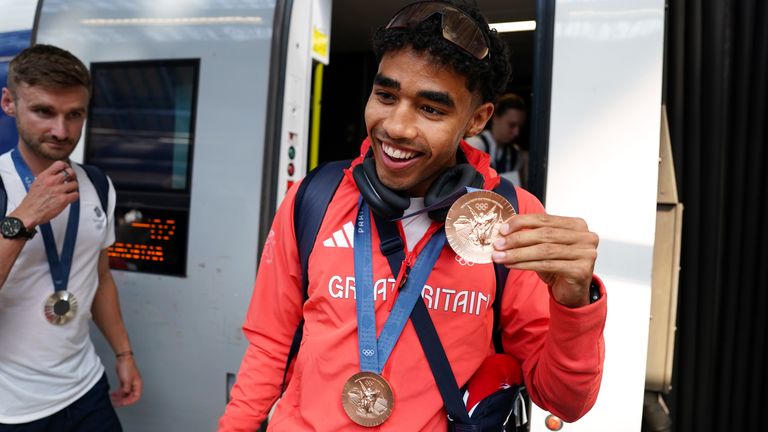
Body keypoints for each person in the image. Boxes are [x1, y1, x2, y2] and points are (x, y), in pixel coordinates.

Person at [220, 1, 605, 430]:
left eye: (431, 109)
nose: (397, 126)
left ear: (476, 119)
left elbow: (564, 402)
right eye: (385, 95)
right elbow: (269, 347)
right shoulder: (314, 197)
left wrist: (574, 303)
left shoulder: (513, 219)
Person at [0, 44, 142, 431]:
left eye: (74, 114)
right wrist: (24, 217)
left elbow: (100, 277)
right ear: (9, 103)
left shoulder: (97, 184)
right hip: (12, 408)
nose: (61, 131)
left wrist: (123, 352)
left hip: (85, 389)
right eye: (44, 111)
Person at [466, 93, 528, 187]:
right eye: (512, 125)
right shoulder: (474, 144)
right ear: (495, 118)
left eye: (520, 127)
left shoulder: (516, 154)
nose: (516, 133)